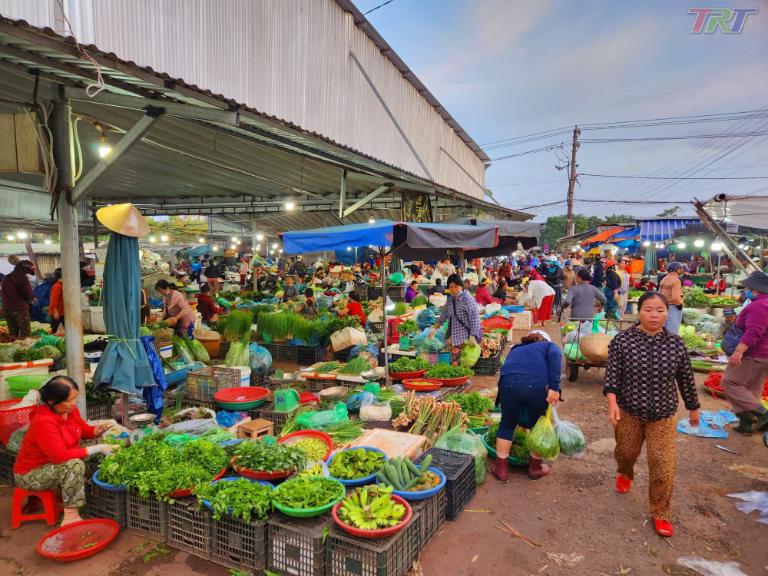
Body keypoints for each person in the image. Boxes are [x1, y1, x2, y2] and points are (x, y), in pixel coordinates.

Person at [604, 291, 700, 538]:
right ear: (639, 312)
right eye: (648, 309)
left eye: (660, 310)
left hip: (664, 415)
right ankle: (625, 472)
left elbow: (686, 379)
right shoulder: (622, 341)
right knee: (625, 452)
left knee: (662, 464)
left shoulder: (676, 344)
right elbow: (613, 374)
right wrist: (612, 402)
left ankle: (660, 512)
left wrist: (693, 407)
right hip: (629, 410)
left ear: (668, 313)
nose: (654, 315)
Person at [14, 376, 117, 526]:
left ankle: (100, 496)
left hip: (57, 461)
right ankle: (71, 517)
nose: (74, 403)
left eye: (75, 398)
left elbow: (84, 431)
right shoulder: (43, 421)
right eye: (69, 400)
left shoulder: (70, 411)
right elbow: (58, 456)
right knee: (74, 465)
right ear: (51, 401)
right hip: (31, 473)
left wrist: (100, 428)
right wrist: (97, 448)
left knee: (105, 448)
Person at [493, 330, 562, 481]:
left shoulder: (516, 348)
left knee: (506, 425)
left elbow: (511, 370)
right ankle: (535, 469)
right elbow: (556, 353)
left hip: (507, 383)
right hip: (535, 385)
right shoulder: (548, 346)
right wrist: (555, 387)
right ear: (545, 339)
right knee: (537, 427)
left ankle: (501, 471)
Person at [721, 271, 768, 434]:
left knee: (729, 382)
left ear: (756, 288)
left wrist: (739, 351)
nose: (746, 290)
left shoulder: (759, 306)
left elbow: (754, 332)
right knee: (751, 388)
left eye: (748, 287)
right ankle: (746, 425)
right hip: (764, 355)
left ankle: (763, 414)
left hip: (753, 354)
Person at [431, 274, 482, 355]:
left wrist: (473, 335)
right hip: (455, 337)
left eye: (456, 286)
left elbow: (475, 319)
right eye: (451, 287)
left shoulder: (468, 299)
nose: (453, 289)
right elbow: (444, 314)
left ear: (461, 286)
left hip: (467, 338)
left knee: (465, 362)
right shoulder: (450, 299)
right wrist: (435, 327)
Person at [1, 259, 35, 337]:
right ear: (26, 269)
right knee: (25, 334)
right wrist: (32, 297)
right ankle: (24, 349)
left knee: (12, 334)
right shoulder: (23, 278)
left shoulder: (7, 277)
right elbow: (28, 294)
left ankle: (14, 347)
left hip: (7, 309)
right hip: (20, 310)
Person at [659, 262, 685, 334]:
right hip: (673, 307)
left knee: (664, 329)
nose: (682, 271)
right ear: (677, 270)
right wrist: (679, 306)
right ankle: (670, 344)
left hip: (664, 306)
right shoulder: (676, 280)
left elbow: (659, 294)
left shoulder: (664, 279)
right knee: (672, 330)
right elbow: (675, 298)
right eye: (681, 269)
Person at [48, 268, 64, 333]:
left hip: (61, 312)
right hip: (57, 313)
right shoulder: (57, 286)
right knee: (54, 330)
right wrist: (55, 312)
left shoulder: (62, 285)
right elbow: (53, 300)